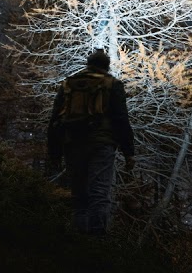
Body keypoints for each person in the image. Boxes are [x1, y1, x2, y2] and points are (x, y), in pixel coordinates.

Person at [47, 48, 136, 236]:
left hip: (72, 143)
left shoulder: (68, 84)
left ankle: (81, 242)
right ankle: (97, 243)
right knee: (99, 193)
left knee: (79, 194)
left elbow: (55, 119)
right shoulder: (112, 84)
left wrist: (54, 152)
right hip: (101, 144)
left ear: (88, 64)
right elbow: (121, 119)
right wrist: (129, 152)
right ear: (107, 66)